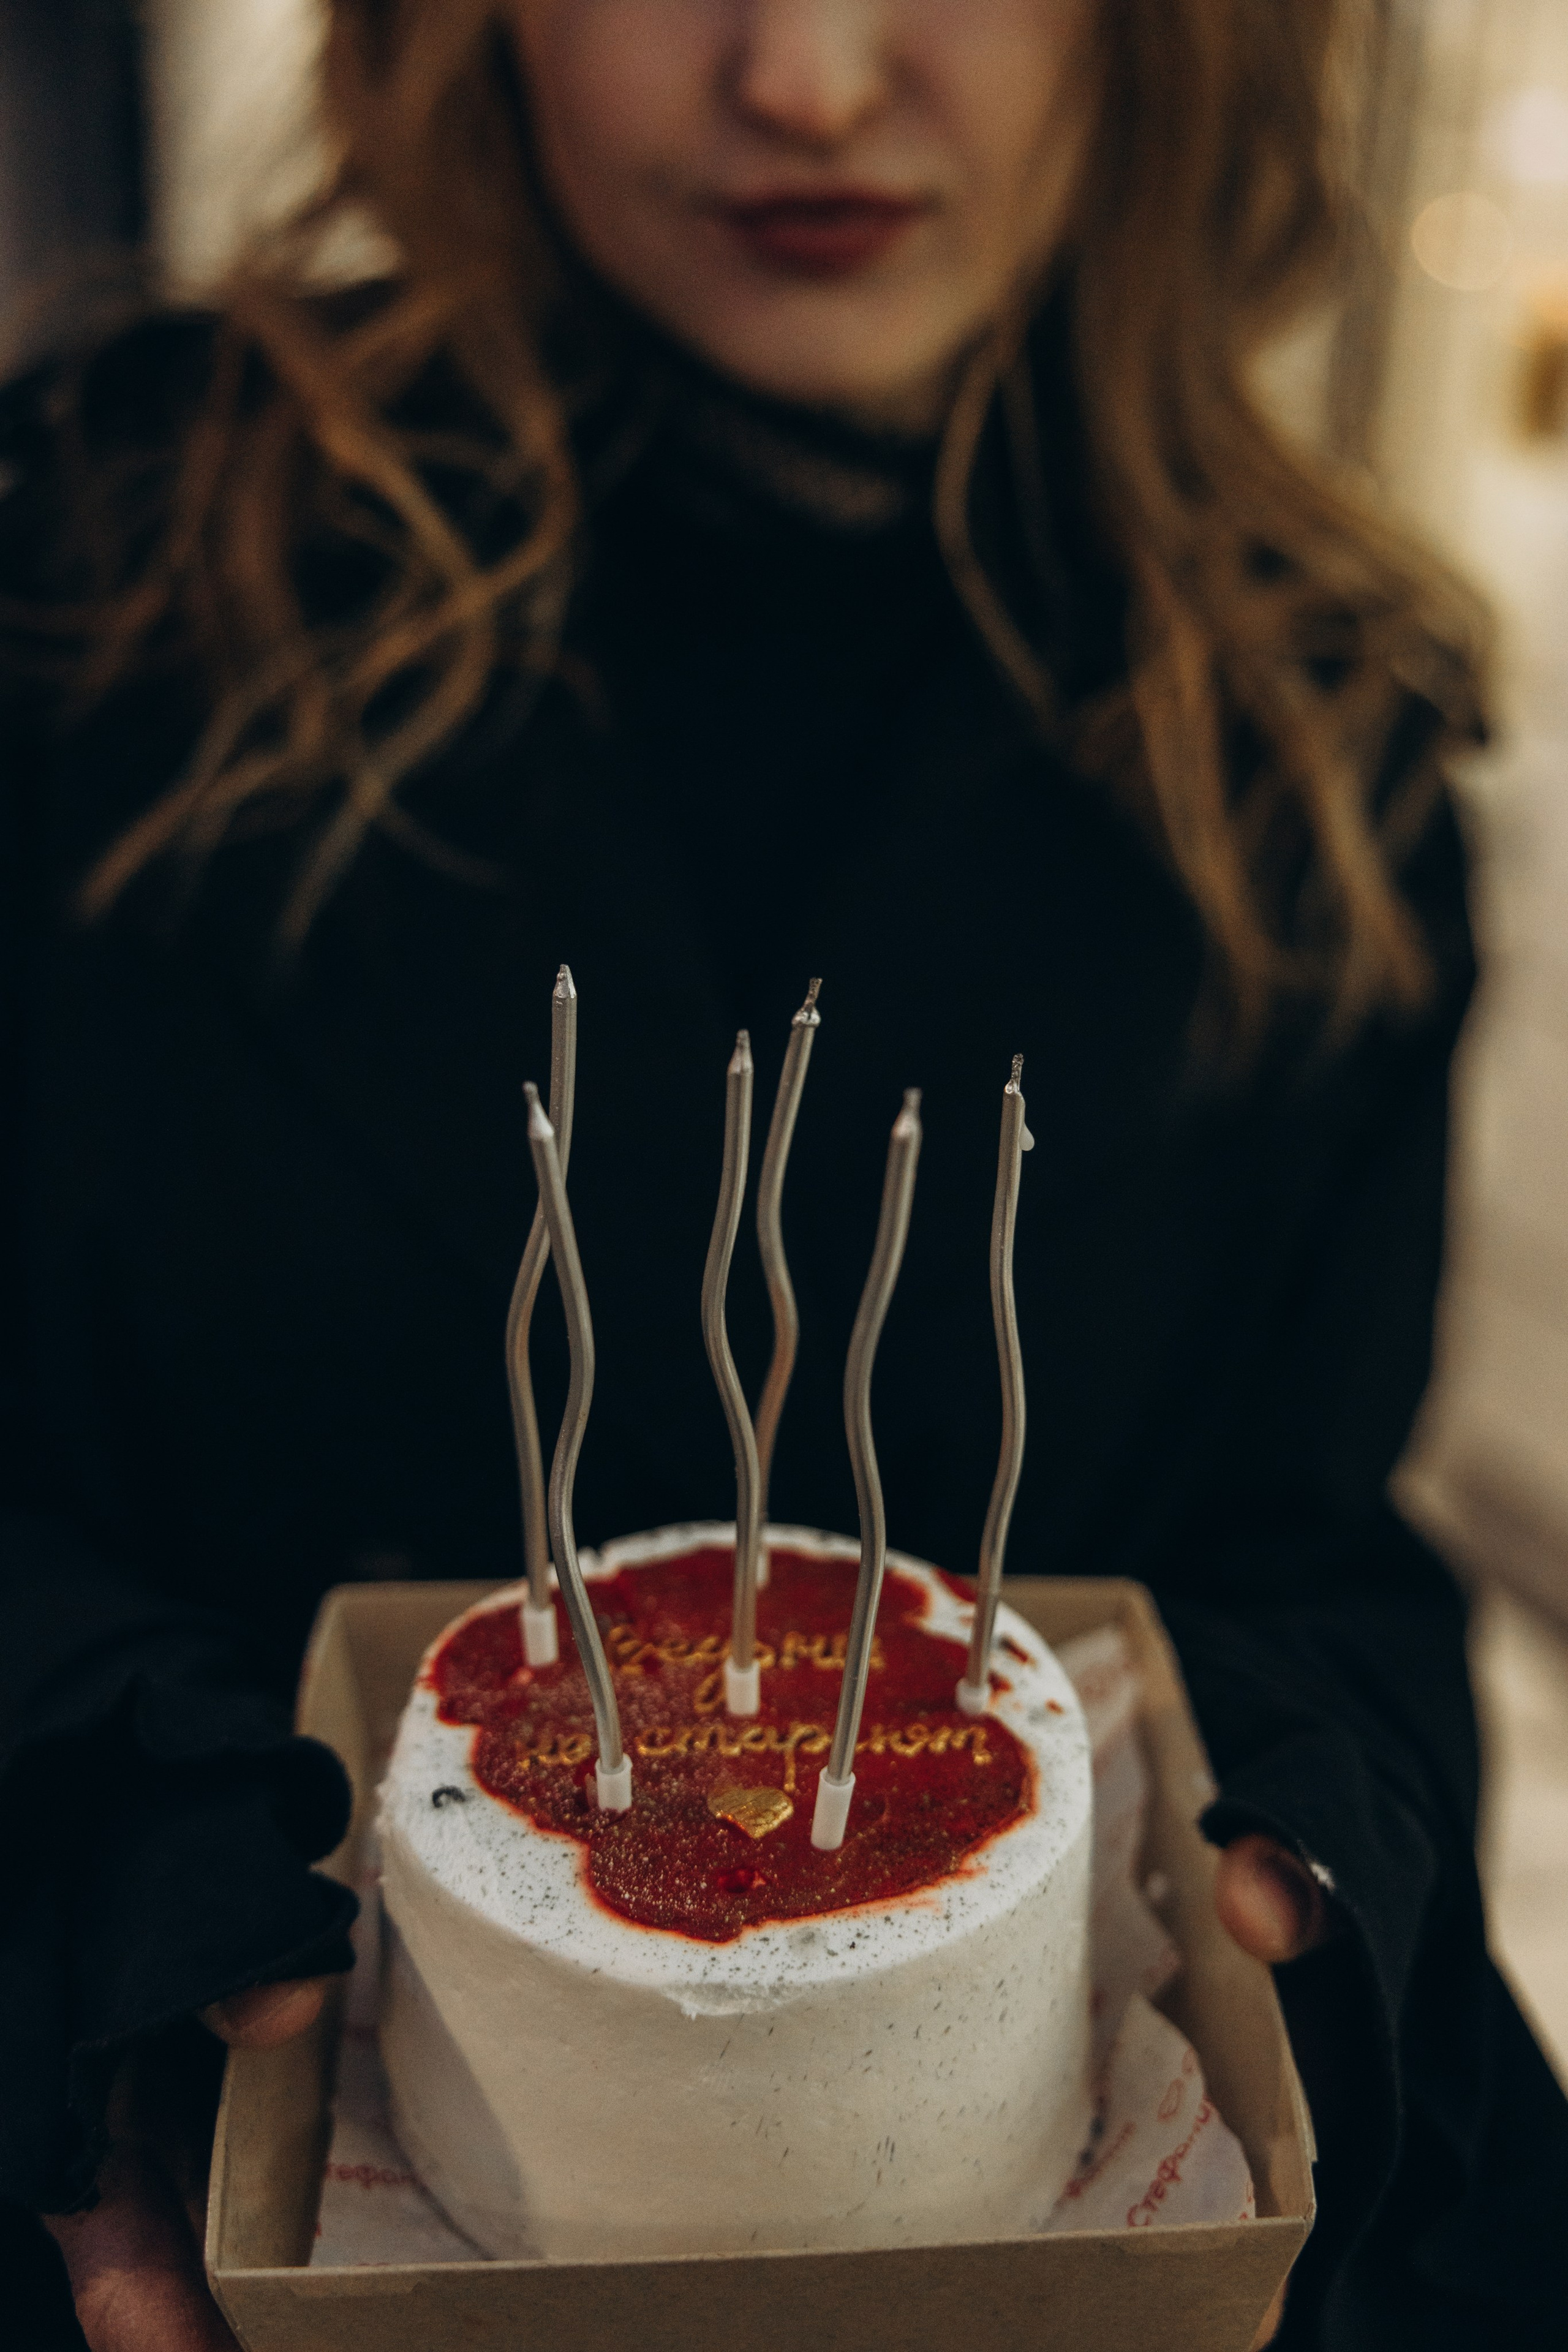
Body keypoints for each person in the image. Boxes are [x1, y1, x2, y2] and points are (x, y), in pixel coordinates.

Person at [4, 2, 1565, 2346]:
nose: (813, 81)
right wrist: (74, 1822)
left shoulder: (1303, 728)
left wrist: (1321, 1828)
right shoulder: (105, 565)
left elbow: (1301, 1533)